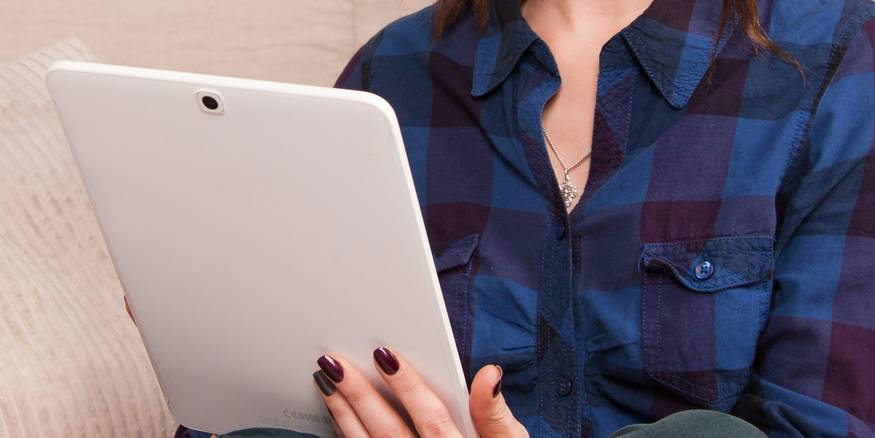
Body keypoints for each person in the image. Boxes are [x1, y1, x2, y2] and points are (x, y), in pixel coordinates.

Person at [176, 0, 875, 436]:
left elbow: (826, 421)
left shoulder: (834, 55)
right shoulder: (389, 73)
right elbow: (299, 380)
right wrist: (218, 338)